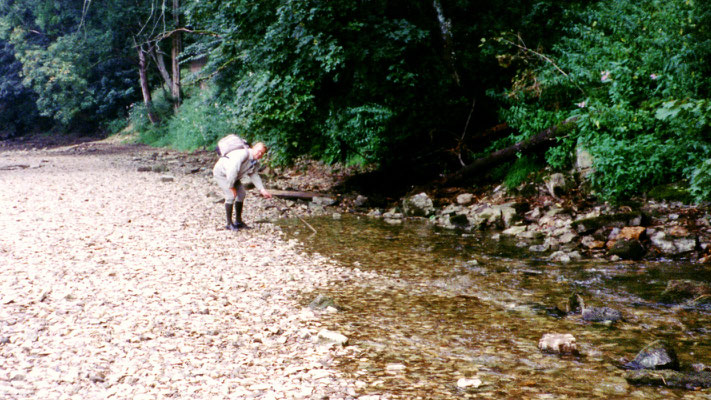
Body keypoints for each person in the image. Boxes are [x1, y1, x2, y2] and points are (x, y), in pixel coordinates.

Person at [213, 141, 272, 230]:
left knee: (241, 194)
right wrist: (231, 186)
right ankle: (229, 223)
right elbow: (232, 170)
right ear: (253, 148)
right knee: (231, 195)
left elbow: (254, 175)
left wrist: (262, 190)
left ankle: (238, 221)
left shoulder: (255, 162)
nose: (259, 154)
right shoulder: (242, 154)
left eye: (262, 153)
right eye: (258, 151)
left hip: (233, 176)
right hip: (222, 173)